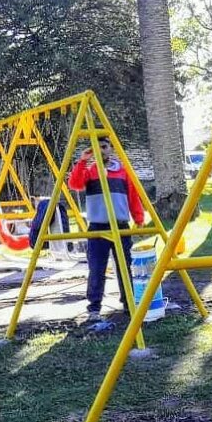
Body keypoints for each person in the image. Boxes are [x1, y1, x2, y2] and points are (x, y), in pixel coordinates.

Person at [67, 137, 145, 321]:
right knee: (96, 268)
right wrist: (82, 161)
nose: (101, 150)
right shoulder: (90, 171)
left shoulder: (123, 172)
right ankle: (94, 307)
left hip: (120, 225)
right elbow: (75, 184)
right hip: (97, 227)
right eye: (96, 147)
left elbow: (133, 196)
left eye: (104, 146)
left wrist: (139, 218)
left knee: (124, 266)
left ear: (110, 149)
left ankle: (129, 303)